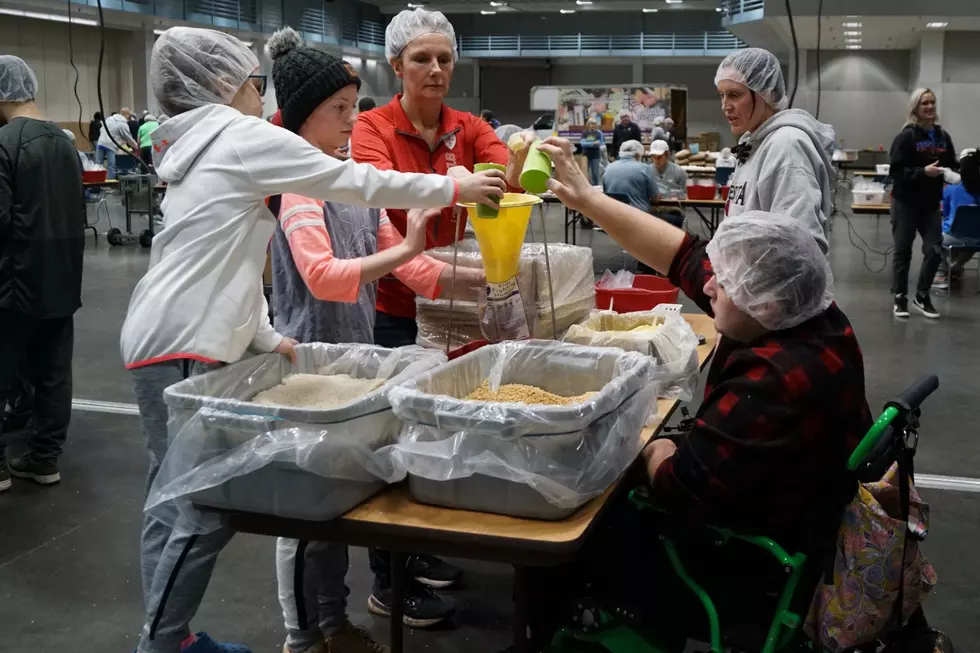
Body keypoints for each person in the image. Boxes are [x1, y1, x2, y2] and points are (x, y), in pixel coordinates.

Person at [122, 26, 505, 653]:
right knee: (194, 506)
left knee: (168, 495)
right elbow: (358, 185)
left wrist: (265, 334)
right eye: (252, 83)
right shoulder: (242, 137)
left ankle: (177, 639)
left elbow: (220, 256)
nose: (259, 94)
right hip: (184, 337)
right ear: (224, 86)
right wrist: (452, 187)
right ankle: (161, 645)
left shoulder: (207, 147)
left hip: (173, 330)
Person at [527, 136, 872, 645]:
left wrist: (655, 450)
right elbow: (684, 255)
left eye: (725, 284)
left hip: (752, 557)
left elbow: (679, 486)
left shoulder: (770, 381)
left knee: (572, 532)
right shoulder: (813, 317)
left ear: (765, 305)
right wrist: (588, 199)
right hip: (802, 508)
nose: (709, 287)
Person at [264, 26, 485, 653]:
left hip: (353, 367)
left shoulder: (349, 181)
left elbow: (409, 267)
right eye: (339, 110)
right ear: (305, 115)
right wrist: (413, 248)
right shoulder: (303, 190)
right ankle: (303, 634)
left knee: (337, 506)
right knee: (306, 517)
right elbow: (325, 279)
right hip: (307, 370)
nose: (351, 121)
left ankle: (334, 623)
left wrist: (489, 283)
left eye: (356, 107)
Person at [350, 6, 534, 626]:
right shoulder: (372, 127)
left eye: (445, 58)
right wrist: (455, 185)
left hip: (453, 305)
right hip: (393, 305)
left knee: (436, 432)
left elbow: (504, 180)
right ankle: (387, 581)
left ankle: (418, 549)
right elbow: (378, 190)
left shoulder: (465, 125)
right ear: (397, 64)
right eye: (421, 58)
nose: (434, 69)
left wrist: (521, 151)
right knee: (389, 436)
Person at [0, 56, 85, 492]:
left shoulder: (5, 143)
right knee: (54, 372)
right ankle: (44, 457)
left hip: (13, 281)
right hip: (63, 278)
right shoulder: (66, 141)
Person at [715, 47, 836, 256]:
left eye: (734, 95)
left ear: (766, 93)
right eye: (722, 95)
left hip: (767, 288)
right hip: (744, 283)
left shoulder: (786, 146)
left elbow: (800, 247)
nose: (725, 106)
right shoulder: (754, 143)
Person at [888, 88, 957, 319]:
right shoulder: (907, 137)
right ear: (916, 108)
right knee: (903, 251)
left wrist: (959, 170)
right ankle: (899, 297)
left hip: (930, 204)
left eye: (932, 102)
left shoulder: (942, 137)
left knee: (935, 249)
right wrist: (922, 172)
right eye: (924, 103)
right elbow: (896, 171)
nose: (929, 107)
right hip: (905, 202)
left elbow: (952, 163)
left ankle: (922, 295)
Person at [933, 150, 980, 290]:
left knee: (935, 237)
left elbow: (946, 214)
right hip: (978, 238)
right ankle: (957, 265)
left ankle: (941, 272)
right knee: (972, 235)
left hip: (954, 236)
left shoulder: (951, 190)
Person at [602, 140, 657, 214]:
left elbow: (606, 192)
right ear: (638, 154)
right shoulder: (645, 168)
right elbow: (655, 199)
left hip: (613, 216)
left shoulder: (608, 168)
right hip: (639, 217)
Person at [648, 139, 687, 229]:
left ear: (667, 155)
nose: (656, 160)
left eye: (659, 157)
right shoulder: (647, 171)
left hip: (673, 209)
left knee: (673, 218)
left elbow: (685, 194)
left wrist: (668, 193)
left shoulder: (679, 171)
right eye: (653, 157)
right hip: (653, 208)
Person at [96, 109, 137, 179]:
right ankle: (110, 182)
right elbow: (128, 137)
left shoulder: (109, 119)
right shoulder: (123, 124)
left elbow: (101, 129)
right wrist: (136, 146)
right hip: (110, 145)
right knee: (111, 165)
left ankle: (97, 181)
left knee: (98, 165)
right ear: (127, 116)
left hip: (101, 142)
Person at [580, 117, 604, 186]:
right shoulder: (584, 133)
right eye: (591, 123)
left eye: (594, 123)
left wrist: (589, 144)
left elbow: (600, 143)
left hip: (596, 155)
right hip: (585, 155)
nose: (593, 125)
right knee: (584, 172)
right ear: (588, 124)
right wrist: (593, 144)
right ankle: (584, 187)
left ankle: (596, 187)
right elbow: (583, 144)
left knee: (595, 173)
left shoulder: (599, 133)